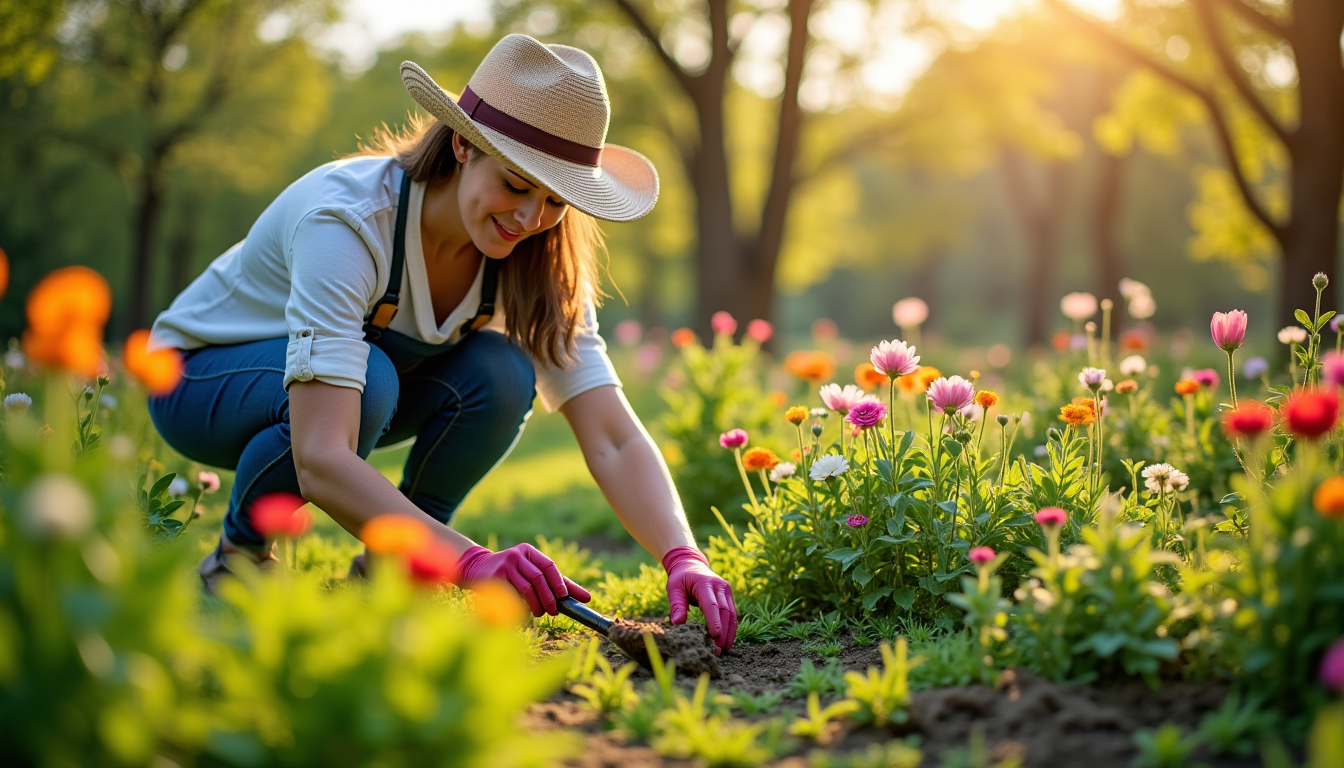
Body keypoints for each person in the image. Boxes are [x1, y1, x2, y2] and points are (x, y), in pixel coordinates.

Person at [147, 34, 737, 653]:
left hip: (352, 384)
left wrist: (682, 555)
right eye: (515, 185)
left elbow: (612, 434)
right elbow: (322, 456)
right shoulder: (348, 223)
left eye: (555, 200)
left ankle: (394, 569)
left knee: (503, 374)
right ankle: (237, 560)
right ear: (461, 143)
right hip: (197, 381)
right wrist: (472, 562)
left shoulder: (534, 259)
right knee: (370, 380)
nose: (530, 218)